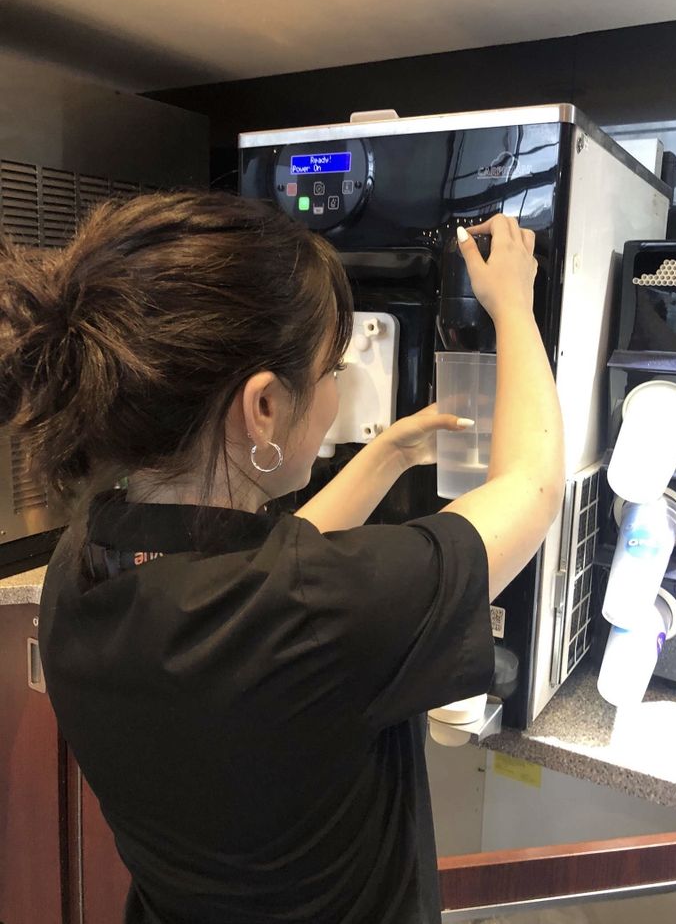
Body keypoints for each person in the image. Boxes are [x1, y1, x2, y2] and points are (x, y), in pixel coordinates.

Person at [0, 192, 564, 924]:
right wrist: (513, 307)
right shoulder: (318, 606)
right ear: (262, 406)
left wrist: (388, 454)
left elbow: (273, 569)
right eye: (332, 369)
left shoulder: (84, 560)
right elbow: (532, 487)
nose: (334, 394)